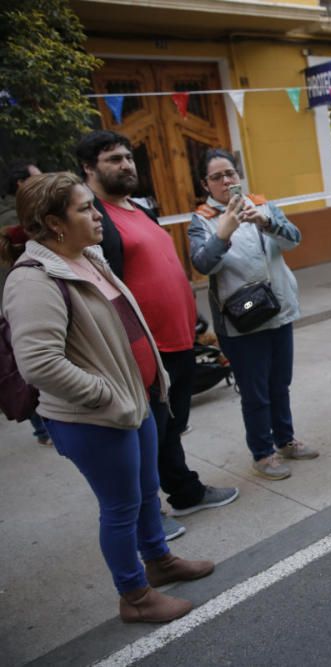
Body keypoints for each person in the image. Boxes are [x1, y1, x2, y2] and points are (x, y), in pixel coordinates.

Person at [3, 172, 214, 623]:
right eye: (85, 209)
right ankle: (134, 596)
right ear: (53, 222)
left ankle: (158, 562)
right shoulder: (33, 279)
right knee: (119, 507)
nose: (98, 215)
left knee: (144, 493)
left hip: (133, 401)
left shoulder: (89, 257)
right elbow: (39, 362)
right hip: (95, 417)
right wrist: (105, 395)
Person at [76, 131, 238, 537]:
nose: (127, 165)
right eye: (114, 159)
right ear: (89, 169)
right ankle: (147, 516)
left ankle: (184, 492)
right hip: (143, 350)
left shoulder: (138, 209)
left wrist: (191, 316)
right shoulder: (95, 219)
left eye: (129, 158)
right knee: (146, 435)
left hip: (178, 339)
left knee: (169, 428)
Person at [188, 149, 315, 480]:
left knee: (279, 384)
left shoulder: (263, 205)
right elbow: (201, 264)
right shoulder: (201, 220)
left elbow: (295, 240)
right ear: (206, 184)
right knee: (255, 392)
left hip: (277, 309)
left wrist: (267, 222)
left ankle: (285, 440)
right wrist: (224, 232)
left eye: (230, 173)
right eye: (217, 177)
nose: (226, 181)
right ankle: (262, 453)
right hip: (241, 321)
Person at [1, 159, 50, 445]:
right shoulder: (12, 216)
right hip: (14, 300)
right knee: (25, 366)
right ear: (22, 184)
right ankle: (42, 428)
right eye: (37, 178)